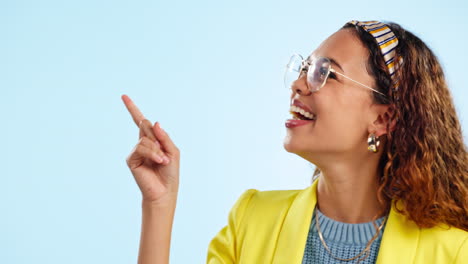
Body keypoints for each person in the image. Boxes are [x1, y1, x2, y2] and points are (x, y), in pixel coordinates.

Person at [122, 20, 468, 264]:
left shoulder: (453, 251)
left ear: (383, 118)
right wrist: (158, 206)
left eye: (324, 73)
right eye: (304, 68)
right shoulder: (252, 220)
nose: (299, 85)